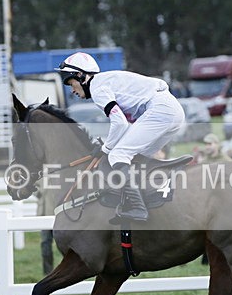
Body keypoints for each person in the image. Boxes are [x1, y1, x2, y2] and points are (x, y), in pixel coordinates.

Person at [56, 52, 184, 222]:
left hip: (160, 110)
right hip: (172, 110)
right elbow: (126, 126)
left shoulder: (97, 88)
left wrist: (106, 148)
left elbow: (120, 123)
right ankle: (146, 199)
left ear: (81, 76)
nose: (72, 90)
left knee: (118, 155)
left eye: (71, 83)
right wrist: (109, 144)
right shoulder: (104, 81)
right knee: (138, 156)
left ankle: (138, 207)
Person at [35, 178, 56, 275]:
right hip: (44, 213)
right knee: (45, 244)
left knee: (66, 245)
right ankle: (48, 272)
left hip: (59, 213)